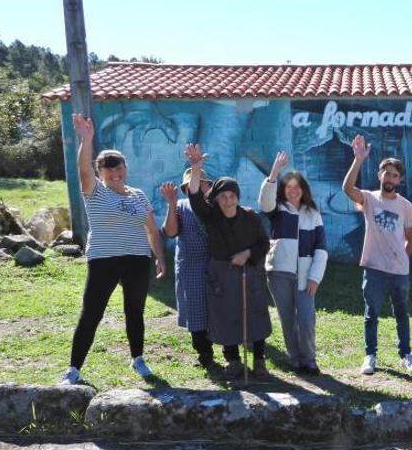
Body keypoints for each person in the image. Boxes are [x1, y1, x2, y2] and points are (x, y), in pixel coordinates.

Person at [60, 114, 166, 385]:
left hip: (137, 260)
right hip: (103, 260)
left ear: (125, 168)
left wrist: (160, 257)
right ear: (101, 173)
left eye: (119, 168)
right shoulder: (94, 191)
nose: (116, 174)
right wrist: (86, 139)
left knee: (135, 311)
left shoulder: (138, 195)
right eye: (109, 170)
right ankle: (73, 368)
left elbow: (151, 229)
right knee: (91, 313)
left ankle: (138, 358)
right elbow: (83, 170)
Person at [185, 143, 273, 380]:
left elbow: (264, 244)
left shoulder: (251, 217)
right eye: (223, 196)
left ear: (237, 197)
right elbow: (194, 196)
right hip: (222, 274)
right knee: (226, 315)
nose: (228, 200)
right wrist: (195, 168)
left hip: (250, 272)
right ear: (216, 199)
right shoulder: (211, 218)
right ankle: (233, 360)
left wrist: (247, 255)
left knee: (254, 313)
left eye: (231, 195)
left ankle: (259, 360)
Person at [342, 134, 412, 375]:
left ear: (400, 179)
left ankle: (406, 354)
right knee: (371, 314)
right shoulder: (368, 198)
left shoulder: (406, 205)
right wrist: (358, 160)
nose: (390, 178)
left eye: (395, 175)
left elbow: (411, 237)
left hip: (399, 270)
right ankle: (370, 355)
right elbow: (347, 188)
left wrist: (404, 258)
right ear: (380, 176)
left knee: (401, 313)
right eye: (386, 173)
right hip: (374, 267)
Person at [259, 151, 328, 375]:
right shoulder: (277, 210)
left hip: (305, 276)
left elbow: (321, 248)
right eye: (288, 187)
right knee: (287, 318)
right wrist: (274, 172)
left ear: (303, 189)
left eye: (297, 186)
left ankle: (310, 359)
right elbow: (264, 201)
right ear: (283, 190)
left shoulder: (313, 214)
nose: (293, 190)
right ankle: (295, 358)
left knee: (306, 319)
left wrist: (315, 277)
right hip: (279, 273)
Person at [159, 167, 215, 368]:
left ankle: (229, 352)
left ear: (208, 186)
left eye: (201, 183)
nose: (197, 188)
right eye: (191, 185)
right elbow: (171, 232)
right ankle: (204, 352)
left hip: (215, 265)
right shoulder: (181, 206)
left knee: (218, 308)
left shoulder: (216, 205)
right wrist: (172, 204)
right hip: (189, 266)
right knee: (195, 310)